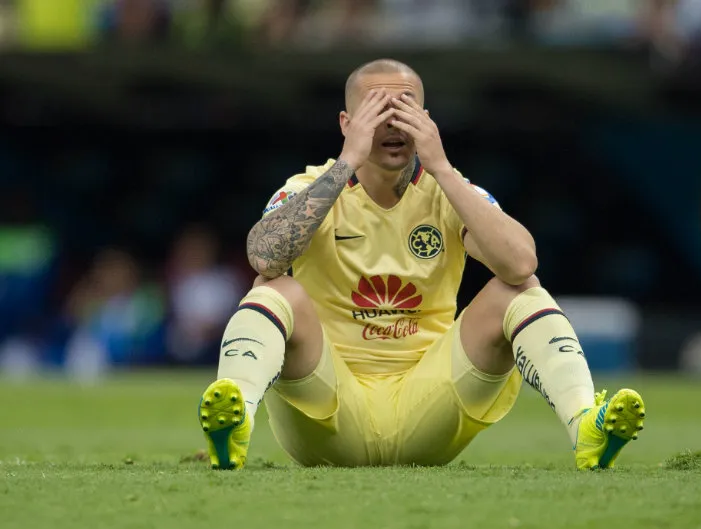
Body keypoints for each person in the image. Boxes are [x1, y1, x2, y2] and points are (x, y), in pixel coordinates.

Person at [197, 59, 646, 470]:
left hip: (430, 407)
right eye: (378, 110)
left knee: (519, 289)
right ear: (347, 123)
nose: (393, 123)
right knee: (275, 288)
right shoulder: (309, 187)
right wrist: (348, 159)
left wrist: (444, 168)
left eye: (405, 110)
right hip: (328, 411)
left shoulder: (450, 192)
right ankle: (235, 421)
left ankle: (586, 425)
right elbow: (263, 255)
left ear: (426, 121)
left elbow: (521, 262)